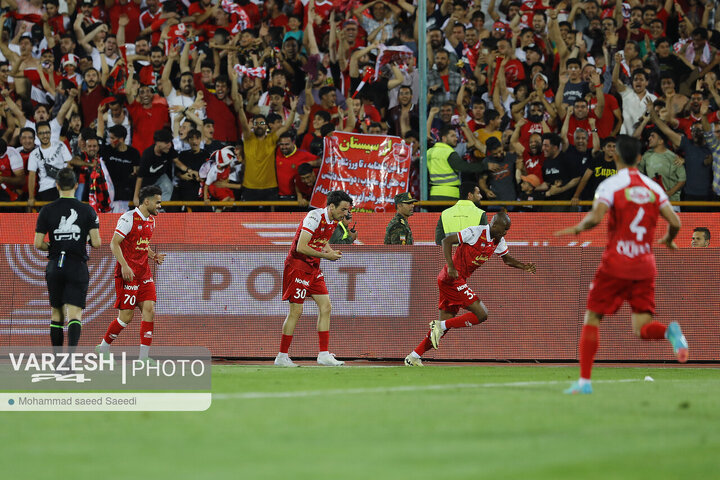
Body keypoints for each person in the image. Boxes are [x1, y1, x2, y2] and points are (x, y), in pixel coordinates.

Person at [555, 135, 686, 395]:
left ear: (615, 156)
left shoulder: (610, 185)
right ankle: (670, 332)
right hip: (644, 265)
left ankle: (584, 382)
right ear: (640, 158)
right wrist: (669, 241)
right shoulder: (653, 188)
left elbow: (596, 217)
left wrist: (578, 228)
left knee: (592, 317)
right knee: (642, 329)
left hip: (616, 263)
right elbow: (676, 223)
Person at [405, 211, 536, 366]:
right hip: (452, 278)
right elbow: (446, 241)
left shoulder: (498, 240)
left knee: (442, 328)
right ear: (494, 225)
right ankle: (439, 325)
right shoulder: (475, 232)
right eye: (504, 229)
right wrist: (451, 267)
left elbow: (506, 259)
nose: (505, 232)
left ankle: (413, 357)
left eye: (507, 229)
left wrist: (523, 266)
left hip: (452, 281)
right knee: (482, 314)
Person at [274, 190, 353, 367]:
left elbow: (321, 237)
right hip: (298, 267)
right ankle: (281, 356)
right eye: (343, 209)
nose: (346, 213)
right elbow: (301, 247)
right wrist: (326, 256)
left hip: (313, 267)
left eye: (347, 210)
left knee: (326, 307)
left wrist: (329, 250)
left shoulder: (334, 220)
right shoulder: (314, 216)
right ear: (331, 206)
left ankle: (323, 354)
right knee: (296, 311)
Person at [34, 168, 101, 352]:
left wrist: (56, 246)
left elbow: (38, 243)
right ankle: (70, 360)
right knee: (74, 314)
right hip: (76, 266)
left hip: (55, 265)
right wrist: (79, 240)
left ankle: (57, 361)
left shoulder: (46, 210)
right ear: (76, 185)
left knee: (56, 313)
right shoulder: (87, 210)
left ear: (57, 185)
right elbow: (96, 242)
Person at [96, 185, 165, 363]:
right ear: (147, 201)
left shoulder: (151, 221)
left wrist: (153, 255)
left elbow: (142, 243)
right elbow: (114, 243)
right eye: (157, 202)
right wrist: (125, 266)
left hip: (144, 273)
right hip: (128, 274)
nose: (160, 205)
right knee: (126, 317)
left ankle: (143, 357)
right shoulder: (128, 219)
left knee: (149, 310)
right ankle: (103, 346)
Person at [27, 122, 73, 208]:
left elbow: (70, 165)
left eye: (47, 132)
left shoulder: (60, 145)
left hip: (63, 188)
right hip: (46, 190)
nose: (45, 136)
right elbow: (32, 176)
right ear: (37, 135)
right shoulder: (33, 154)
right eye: (41, 133)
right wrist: (31, 197)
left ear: (51, 133)